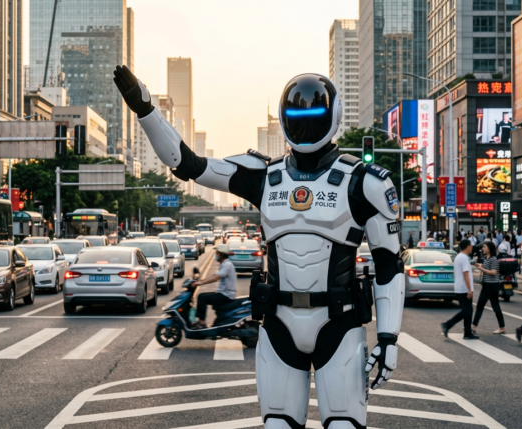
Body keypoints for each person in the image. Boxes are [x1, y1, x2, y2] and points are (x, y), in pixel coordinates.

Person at [114, 66, 405, 428]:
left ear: (333, 115)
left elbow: (389, 265)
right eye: (297, 115)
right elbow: (186, 164)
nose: (305, 123)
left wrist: (390, 336)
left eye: (312, 114)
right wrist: (145, 110)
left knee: (345, 425)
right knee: (278, 424)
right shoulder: (264, 175)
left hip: (340, 323)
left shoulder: (365, 182)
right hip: (278, 323)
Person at [190, 244, 237, 329]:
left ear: (221, 254)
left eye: (217, 253)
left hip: (226, 295)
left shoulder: (227, 265)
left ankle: (201, 322)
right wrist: (199, 281)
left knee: (202, 297)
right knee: (203, 296)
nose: (215, 255)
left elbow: (216, 277)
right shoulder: (224, 264)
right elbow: (215, 275)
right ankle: (202, 322)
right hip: (223, 293)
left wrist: (200, 283)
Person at [441, 239, 480, 339]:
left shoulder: (459, 257)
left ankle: (467, 332)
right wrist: (469, 289)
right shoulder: (464, 258)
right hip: (464, 289)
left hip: (460, 287)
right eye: (471, 245)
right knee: (466, 311)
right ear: (467, 246)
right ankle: (448, 325)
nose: (472, 247)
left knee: (468, 311)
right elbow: (465, 273)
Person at [472, 242, 505, 334]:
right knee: (480, 305)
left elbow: (493, 272)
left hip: (492, 285)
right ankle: (473, 326)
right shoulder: (486, 258)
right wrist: (481, 266)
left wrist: (481, 268)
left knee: (495, 307)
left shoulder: (493, 259)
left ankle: (502, 327)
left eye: (484, 247)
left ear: (489, 249)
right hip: (486, 285)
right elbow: (488, 269)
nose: (483, 248)